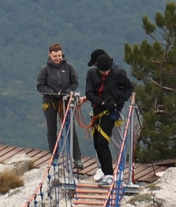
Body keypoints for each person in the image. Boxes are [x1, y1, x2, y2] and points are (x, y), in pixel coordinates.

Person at [84, 48, 133, 178]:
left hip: (115, 112)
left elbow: (128, 88)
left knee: (115, 140)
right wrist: (101, 103)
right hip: (99, 110)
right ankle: (104, 170)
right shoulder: (93, 74)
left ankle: (119, 169)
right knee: (99, 142)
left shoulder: (118, 73)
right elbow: (89, 92)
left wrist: (119, 102)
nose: (105, 72)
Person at [36, 43, 78, 153]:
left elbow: (74, 83)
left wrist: (67, 92)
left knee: (70, 128)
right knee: (52, 128)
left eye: (59, 55)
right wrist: (53, 93)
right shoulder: (45, 69)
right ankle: (54, 154)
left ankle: (76, 156)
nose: (57, 58)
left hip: (65, 100)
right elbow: (40, 86)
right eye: (55, 56)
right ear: (49, 55)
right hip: (49, 101)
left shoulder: (69, 68)